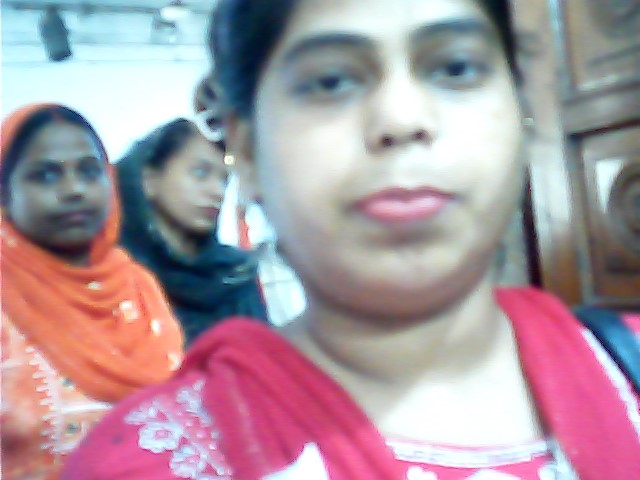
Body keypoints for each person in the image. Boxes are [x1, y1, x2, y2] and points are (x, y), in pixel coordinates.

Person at [62, 1, 640, 479]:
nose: (403, 118)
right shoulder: (144, 463)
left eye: (457, 67)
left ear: (522, 111)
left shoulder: (626, 367)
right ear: (248, 150)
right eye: (331, 81)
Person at [0, 104, 184, 480]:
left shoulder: (138, 288)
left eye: (89, 171)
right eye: (46, 175)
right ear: (4, 192)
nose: (74, 190)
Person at [116, 118, 267, 345]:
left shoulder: (235, 274)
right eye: (200, 173)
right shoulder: (114, 275)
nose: (217, 192)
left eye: (224, 180)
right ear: (149, 180)